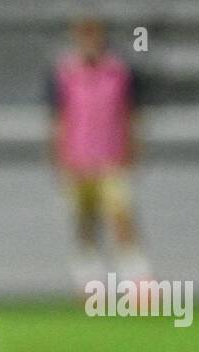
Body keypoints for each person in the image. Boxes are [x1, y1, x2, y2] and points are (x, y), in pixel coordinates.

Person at [49, 17, 147, 288]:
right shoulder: (65, 74)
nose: (89, 42)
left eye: (93, 35)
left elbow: (130, 116)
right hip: (77, 161)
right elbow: (59, 120)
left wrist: (132, 153)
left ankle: (136, 279)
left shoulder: (119, 73)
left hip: (111, 158)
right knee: (85, 225)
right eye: (83, 35)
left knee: (121, 217)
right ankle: (89, 281)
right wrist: (58, 161)